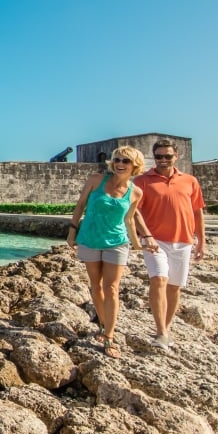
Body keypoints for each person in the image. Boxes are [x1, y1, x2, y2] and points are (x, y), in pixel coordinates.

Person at [67, 146, 146, 358]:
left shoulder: (135, 192)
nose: (120, 164)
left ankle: (110, 336)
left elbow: (129, 220)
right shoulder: (96, 179)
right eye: (117, 159)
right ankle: (102, 325)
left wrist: (138, 244)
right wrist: (72, 231)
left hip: (117, 243)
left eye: (126, 161)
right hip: (90, 239)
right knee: (96, 286)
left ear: (134, 165)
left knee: (112, 288)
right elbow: (80, 205)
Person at [134, 139, 206, 351]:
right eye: (159, 156)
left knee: (174, 287)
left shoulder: (190, 181)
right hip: (156, 242)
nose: (163, 160)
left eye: (167, 156)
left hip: (183, 241)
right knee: (159, 279)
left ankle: (166, 327)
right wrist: (143, 236)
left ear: (177, 156)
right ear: (153, 157)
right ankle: (161, 332)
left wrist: (202, 241)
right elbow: (133, 211)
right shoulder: (142, 181)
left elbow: (197, 211)